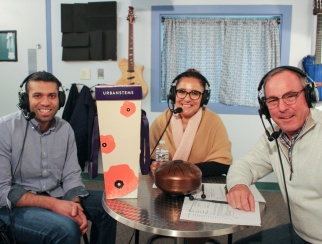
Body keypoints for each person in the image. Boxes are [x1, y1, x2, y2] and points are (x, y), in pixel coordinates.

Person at [0, 71, 116, 243]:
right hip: (17, 207)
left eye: (52, 96)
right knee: (67, 229)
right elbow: (3, 190)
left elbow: (71, 175)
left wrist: (74, 205)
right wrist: (55, 205)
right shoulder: (5, 129)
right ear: (25, 100)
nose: (46, 102)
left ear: (60, 99)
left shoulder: (65, 129)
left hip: (58, 194)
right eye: (38, 95)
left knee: (109, 206)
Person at [226, 66, 322, 243]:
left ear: (309, 96)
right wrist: (237, 185)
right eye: (272, 100)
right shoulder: (274, 136)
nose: (282, 108)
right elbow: (245, 165)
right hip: (299, 233)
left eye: (290, 96)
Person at [150, 68, 232, 176]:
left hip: (200, 183)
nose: (187, 99)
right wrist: (154, 165)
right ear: (174, 94)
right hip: (167, 183)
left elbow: (223, 165)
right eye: (182, 91)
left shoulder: (213, 121)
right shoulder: (162, 121)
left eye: (195, 93)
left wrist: (181, 171)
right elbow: (148, 158)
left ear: (204, 98)